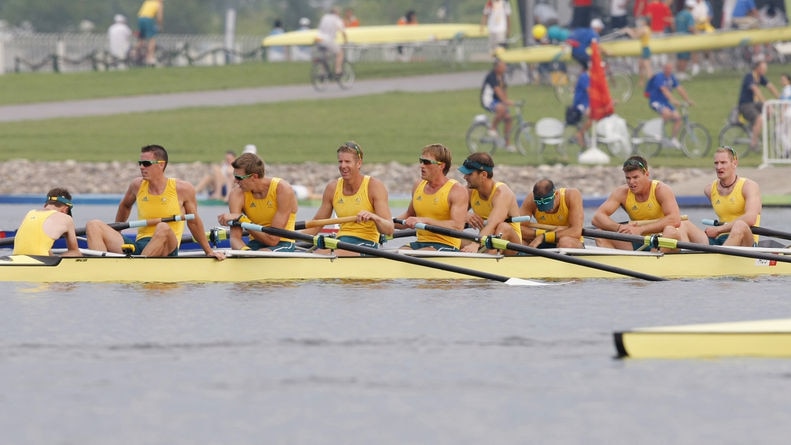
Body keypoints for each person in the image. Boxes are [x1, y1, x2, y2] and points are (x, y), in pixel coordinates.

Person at [85, 144, 224, 260]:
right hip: (140, 245)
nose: (141, 167)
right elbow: (125, 206)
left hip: (167, 246)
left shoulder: (183, 189)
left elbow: (194, 222)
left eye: (146, 164)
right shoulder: (137, 185)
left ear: (161, 165)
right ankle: (100, 268)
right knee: (93, 225)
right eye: (140, 163)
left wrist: (208, 251)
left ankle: (137, 269)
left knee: (162, 227)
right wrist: (118, 233)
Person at [303, 141, 393, 254]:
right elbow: (315, 225)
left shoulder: (374, 186)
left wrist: (374, 217)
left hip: (367, 244)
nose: (343, 166)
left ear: (359, 163)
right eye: (340, 162)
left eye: (347, 162)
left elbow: (389, 229)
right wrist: (288, 237)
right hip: (341, 241)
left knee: (320, 256)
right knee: (308, 254)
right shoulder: (332, 188)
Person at [591, 155, 691, 251]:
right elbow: (597, 218)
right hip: (638, 240)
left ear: (646, 174)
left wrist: (641, 229)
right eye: (628, 178)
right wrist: (620, 227)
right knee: (600, 234)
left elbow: (674, 220)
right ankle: (616, 266)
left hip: (663, 238)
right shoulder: (622, 193)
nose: (631, 182)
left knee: (670, 231)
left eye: (635, 177)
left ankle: (653, 260)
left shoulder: (661, 190)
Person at [216, 153, 299, 252]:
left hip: (283, 243)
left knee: (262, 253)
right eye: (234, 176)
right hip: (255, 243)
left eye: (239, 178)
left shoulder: (283, 189)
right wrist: (246, 252)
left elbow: (272, 241)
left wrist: (242, 219)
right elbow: (235, 238)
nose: (235, 181)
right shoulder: (236, 195)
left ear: (254, 177)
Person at [681, 146, 762, 246]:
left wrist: (718, 230)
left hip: (745, 242)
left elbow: (750, 218)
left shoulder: (749, 186)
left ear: (734, 163)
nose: (719, 167)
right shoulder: (709, 189)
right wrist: (719, 232)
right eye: (716, 163)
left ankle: (719, 258)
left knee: (740, 225)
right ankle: (684, 257)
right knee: (683, 224)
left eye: (723, 162)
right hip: (720, 239)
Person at [396, 143, 469, 251]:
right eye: (421, 161)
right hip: (421, 242)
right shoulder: (418, 186)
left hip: (446, 245)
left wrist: (425, 220)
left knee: (415, 257)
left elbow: (457, 226)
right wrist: (382, 221)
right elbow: (408, 216)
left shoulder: (456, 190)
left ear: (441, 165)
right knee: (400, 253)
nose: (421, 165)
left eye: (426, 162)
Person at [457, 152, 522, 255]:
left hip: (512, 246)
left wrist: (475, 244)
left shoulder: (502, 193)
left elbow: (492, 224)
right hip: (484, 240)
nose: (464, 177)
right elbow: (451, 211)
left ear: (483, 175)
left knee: (502, 227)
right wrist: (464, 214)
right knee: (453, 236)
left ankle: (486, 262)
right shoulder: (470, 191)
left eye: (469, 174)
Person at [12, 188, 82, 257]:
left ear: (45, 205)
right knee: (75, 253)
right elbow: (74, 252)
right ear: (65, 210)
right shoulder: (67, 218)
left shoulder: (30, 213)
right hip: (39, 262)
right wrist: (56, 259)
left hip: (16, 259)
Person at [519, 179, 584, 249]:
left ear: (556, 194)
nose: (546, 210)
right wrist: (545, 234)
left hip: (568, 240)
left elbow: (576, 232)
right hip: (542, 240)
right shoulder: (531, 199)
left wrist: (543, 237)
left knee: (565, 242)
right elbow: (518, 228)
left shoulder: (572, 195)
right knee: (517, 242)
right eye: (542, 208)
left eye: (549, 206)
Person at [644, 62, 695, 148]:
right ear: (664, 69)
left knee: (678, 118)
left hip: (665, 102)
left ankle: (673, 139)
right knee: (667, 113)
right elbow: (664, 90)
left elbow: (679, 88)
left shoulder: (671, 77)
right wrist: (674, 100)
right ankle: (656, 131)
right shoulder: (659, 77)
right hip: (656, 101)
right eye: (667, 68)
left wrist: (687, 100)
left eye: (670, 68)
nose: (668, 70)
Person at [738, 60, 779, 150]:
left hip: (754, 104)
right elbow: (755, 89)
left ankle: (755, 127)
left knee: (771, 112)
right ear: (757, 68)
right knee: (759, 118)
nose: (765, 71)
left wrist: (780, 98)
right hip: (746, 105)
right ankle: (753, 142)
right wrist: (765, 102)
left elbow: (770, 86)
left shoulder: (760, 77)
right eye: (763, 69)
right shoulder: (749, 76)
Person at [480, 59, 516, 152]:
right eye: (503, 66)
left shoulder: (502, 76)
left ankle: (507, 144)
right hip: (488, 100)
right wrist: (505, 101)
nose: (505, 68)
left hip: (498, 100)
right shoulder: (492, 76)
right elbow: (497, 90)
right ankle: (492, 128)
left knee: (508, 119)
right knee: (502, 109)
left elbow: (504, 90)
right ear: (497, 67)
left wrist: (506, 101)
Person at [316, 7, 348, 78]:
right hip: (328, 40)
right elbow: (343, 31)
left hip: (319, 39)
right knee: (340, 53)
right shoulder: (337, 19)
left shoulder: (324, 17)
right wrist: (345, 40)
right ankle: (338, 71)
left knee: (325, 56)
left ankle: (322, 72)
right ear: (336, 13)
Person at [624, 17, 652, 86]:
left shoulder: (644, 29)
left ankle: (651, 82)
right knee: (641, 66)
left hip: (645, 48)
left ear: (645, 22)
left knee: (647, 67)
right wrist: (628, 29)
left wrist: (629, 31)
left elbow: (635, 36)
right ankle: (641, 82)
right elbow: (636, 30)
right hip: (644, 48)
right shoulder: (646, 28)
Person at [135, 0, 164, 66]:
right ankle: (150, 58)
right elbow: (159, 17)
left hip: (140, 18)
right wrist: (160, 26)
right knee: (152, 39)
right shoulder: (159, 4)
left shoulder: (148, 1)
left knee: (141, 38)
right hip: (148, 18)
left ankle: (135, 54)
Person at [675, 0, 696, 78]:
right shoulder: (689, 15)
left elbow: (674, 25)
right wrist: (696, 33)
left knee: (679, 56)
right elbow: (691, 28)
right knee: (685, 57)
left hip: (678, 37)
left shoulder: (679, 14)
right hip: (686, 38)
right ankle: (682, 73)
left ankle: (678, 72)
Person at [571, 65, 591, 147]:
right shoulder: (584, 77)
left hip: (587, 104)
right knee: (592, 116)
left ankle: (583, 136)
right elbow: (590, 90)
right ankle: (580, 134)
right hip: (580, 105)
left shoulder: (593, 77)